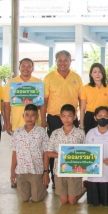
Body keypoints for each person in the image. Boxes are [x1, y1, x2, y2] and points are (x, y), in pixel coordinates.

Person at [42, 50, 83, 188]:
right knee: (55, 149)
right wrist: (43, 119)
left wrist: (80, 117)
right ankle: (56, 180)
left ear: (70, 61)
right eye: (59, 60)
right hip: (54, 119)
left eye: (65, 60)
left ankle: (73, 176)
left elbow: (81, 99)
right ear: (56, 62)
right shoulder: (49, 78)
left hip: (72, 119)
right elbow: (44, 100)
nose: (62, 63)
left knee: (73, 149)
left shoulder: (76, 77)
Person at [46, 104, 86, 204]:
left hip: (75, 170)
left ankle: (86, 187)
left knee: (72, 201)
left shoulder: (80, 133)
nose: (66, 119)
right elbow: (49, 152)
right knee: (64, 201)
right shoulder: (55, 133)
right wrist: (63, 156)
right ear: (60, 117)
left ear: (75, 117)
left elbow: (86, 151)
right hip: (59, 170)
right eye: (64, 116)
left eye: (69, 116)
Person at [10, 104, 50, 202]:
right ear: (23, 116)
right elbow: (15, 152)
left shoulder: (41, 132)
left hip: (36, 171)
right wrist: (12, 171)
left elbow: (46, 153)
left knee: (37, 199)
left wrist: (45, 172)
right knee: (24, 199)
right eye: (27, 115)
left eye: (32, 115)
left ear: (37, 116)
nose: (29, 118)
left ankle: (43, 190)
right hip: (21, 171)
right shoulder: (17, 132)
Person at [3, 58, 44, 136]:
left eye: (29, 66)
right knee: (18, 148)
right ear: (19, 68)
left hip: (35, 125)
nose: (26, 68)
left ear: (33, 68)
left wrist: (43, 121)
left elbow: (42, 105)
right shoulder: (11, 83)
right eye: (23, 66)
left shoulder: (39, 83)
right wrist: (7, 123)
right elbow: (6, 105)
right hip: (17, 124)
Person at [80, 63, 108, 135]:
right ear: (91, 74)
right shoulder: (85, 88)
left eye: (100, 72)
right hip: (90, 117)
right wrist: (81, 125)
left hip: (104, 117)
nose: (97, 74)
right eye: (95, 72)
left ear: (103, 74)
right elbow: (82, 109)